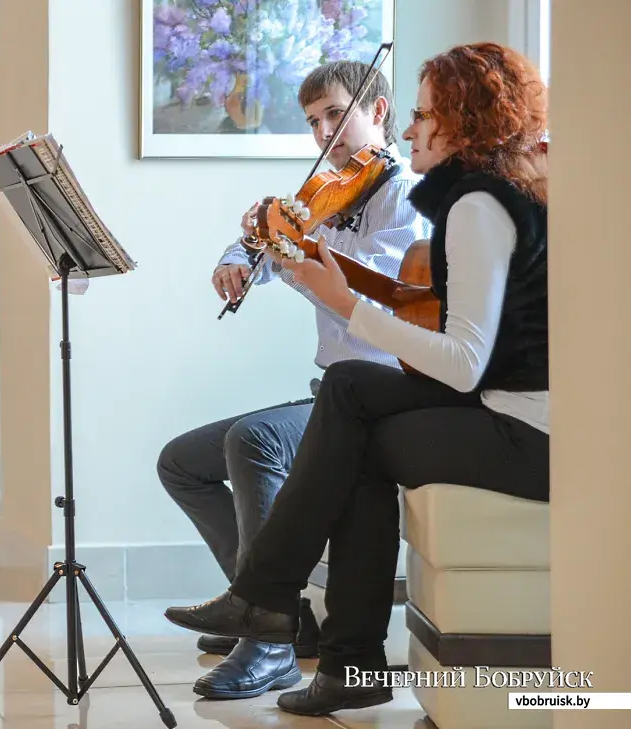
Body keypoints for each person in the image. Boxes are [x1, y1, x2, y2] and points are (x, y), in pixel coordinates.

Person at [162, 41, 550, 717]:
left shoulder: (475, 208)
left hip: (529, 430)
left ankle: (297, 625)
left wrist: (344, 302)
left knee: (353, 429)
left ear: (461, 120)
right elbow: (435, 318)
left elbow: (463, 359)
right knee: (347, 391)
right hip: (505, 400)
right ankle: (285, 614)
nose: (407, 127)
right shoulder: (481, 198)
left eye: (423, 113)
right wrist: (294, 259)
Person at [156, 60, 431, 701]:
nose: (325, 133)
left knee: (255, 440)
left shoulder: (409, 195)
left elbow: (377, 284)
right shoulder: (325, 196)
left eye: (337, 114)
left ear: (379, 112)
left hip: (383, 391)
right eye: (313, 122)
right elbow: (260, 243)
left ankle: (268, 646)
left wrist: (295, 246)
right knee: (182, 463)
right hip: (334, 389)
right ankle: (281, 615)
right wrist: (241, 252)